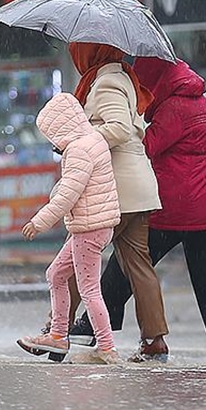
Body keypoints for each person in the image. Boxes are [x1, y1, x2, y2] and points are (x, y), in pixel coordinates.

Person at [68, 58, 206, 366]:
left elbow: (145, 147)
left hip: (177, 208)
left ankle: (90, 328)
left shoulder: (174, 109)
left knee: (128, 261)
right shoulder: (200, 103)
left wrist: (124, 125)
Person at [64, 42, 169, 362]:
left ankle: (56, 330)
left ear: (91, 51)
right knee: (139, 265)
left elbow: (120, 129)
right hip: (139, 188)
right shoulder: (124, 77)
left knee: (73, 259)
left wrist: (81, 143)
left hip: (115, 189)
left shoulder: (106, 81)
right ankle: (155, 341)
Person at [16, 93, 122, 365]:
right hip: (96, 225)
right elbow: (74, 186)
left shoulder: (78, 150)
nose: (52, 142)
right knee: (55, 274)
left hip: (88, 228)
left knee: (89, 290)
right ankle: (58, 336)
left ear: (60, 129)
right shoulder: (93, 139)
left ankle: (107, 348)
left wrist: (39, 221)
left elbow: (68, 196)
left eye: (51, 135)